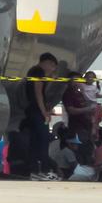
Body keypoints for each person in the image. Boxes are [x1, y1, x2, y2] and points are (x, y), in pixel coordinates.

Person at [23, 53, 60, 181]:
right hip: (37, 111)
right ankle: (44, 170)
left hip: (32, 111)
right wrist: (44, 112)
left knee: (35, 141)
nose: (53, 69)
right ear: (47, 62)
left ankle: (34, 171)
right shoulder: (38, 71)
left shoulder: (33, 71)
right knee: (43, 141)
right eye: (53, 66)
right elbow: (38, 93)